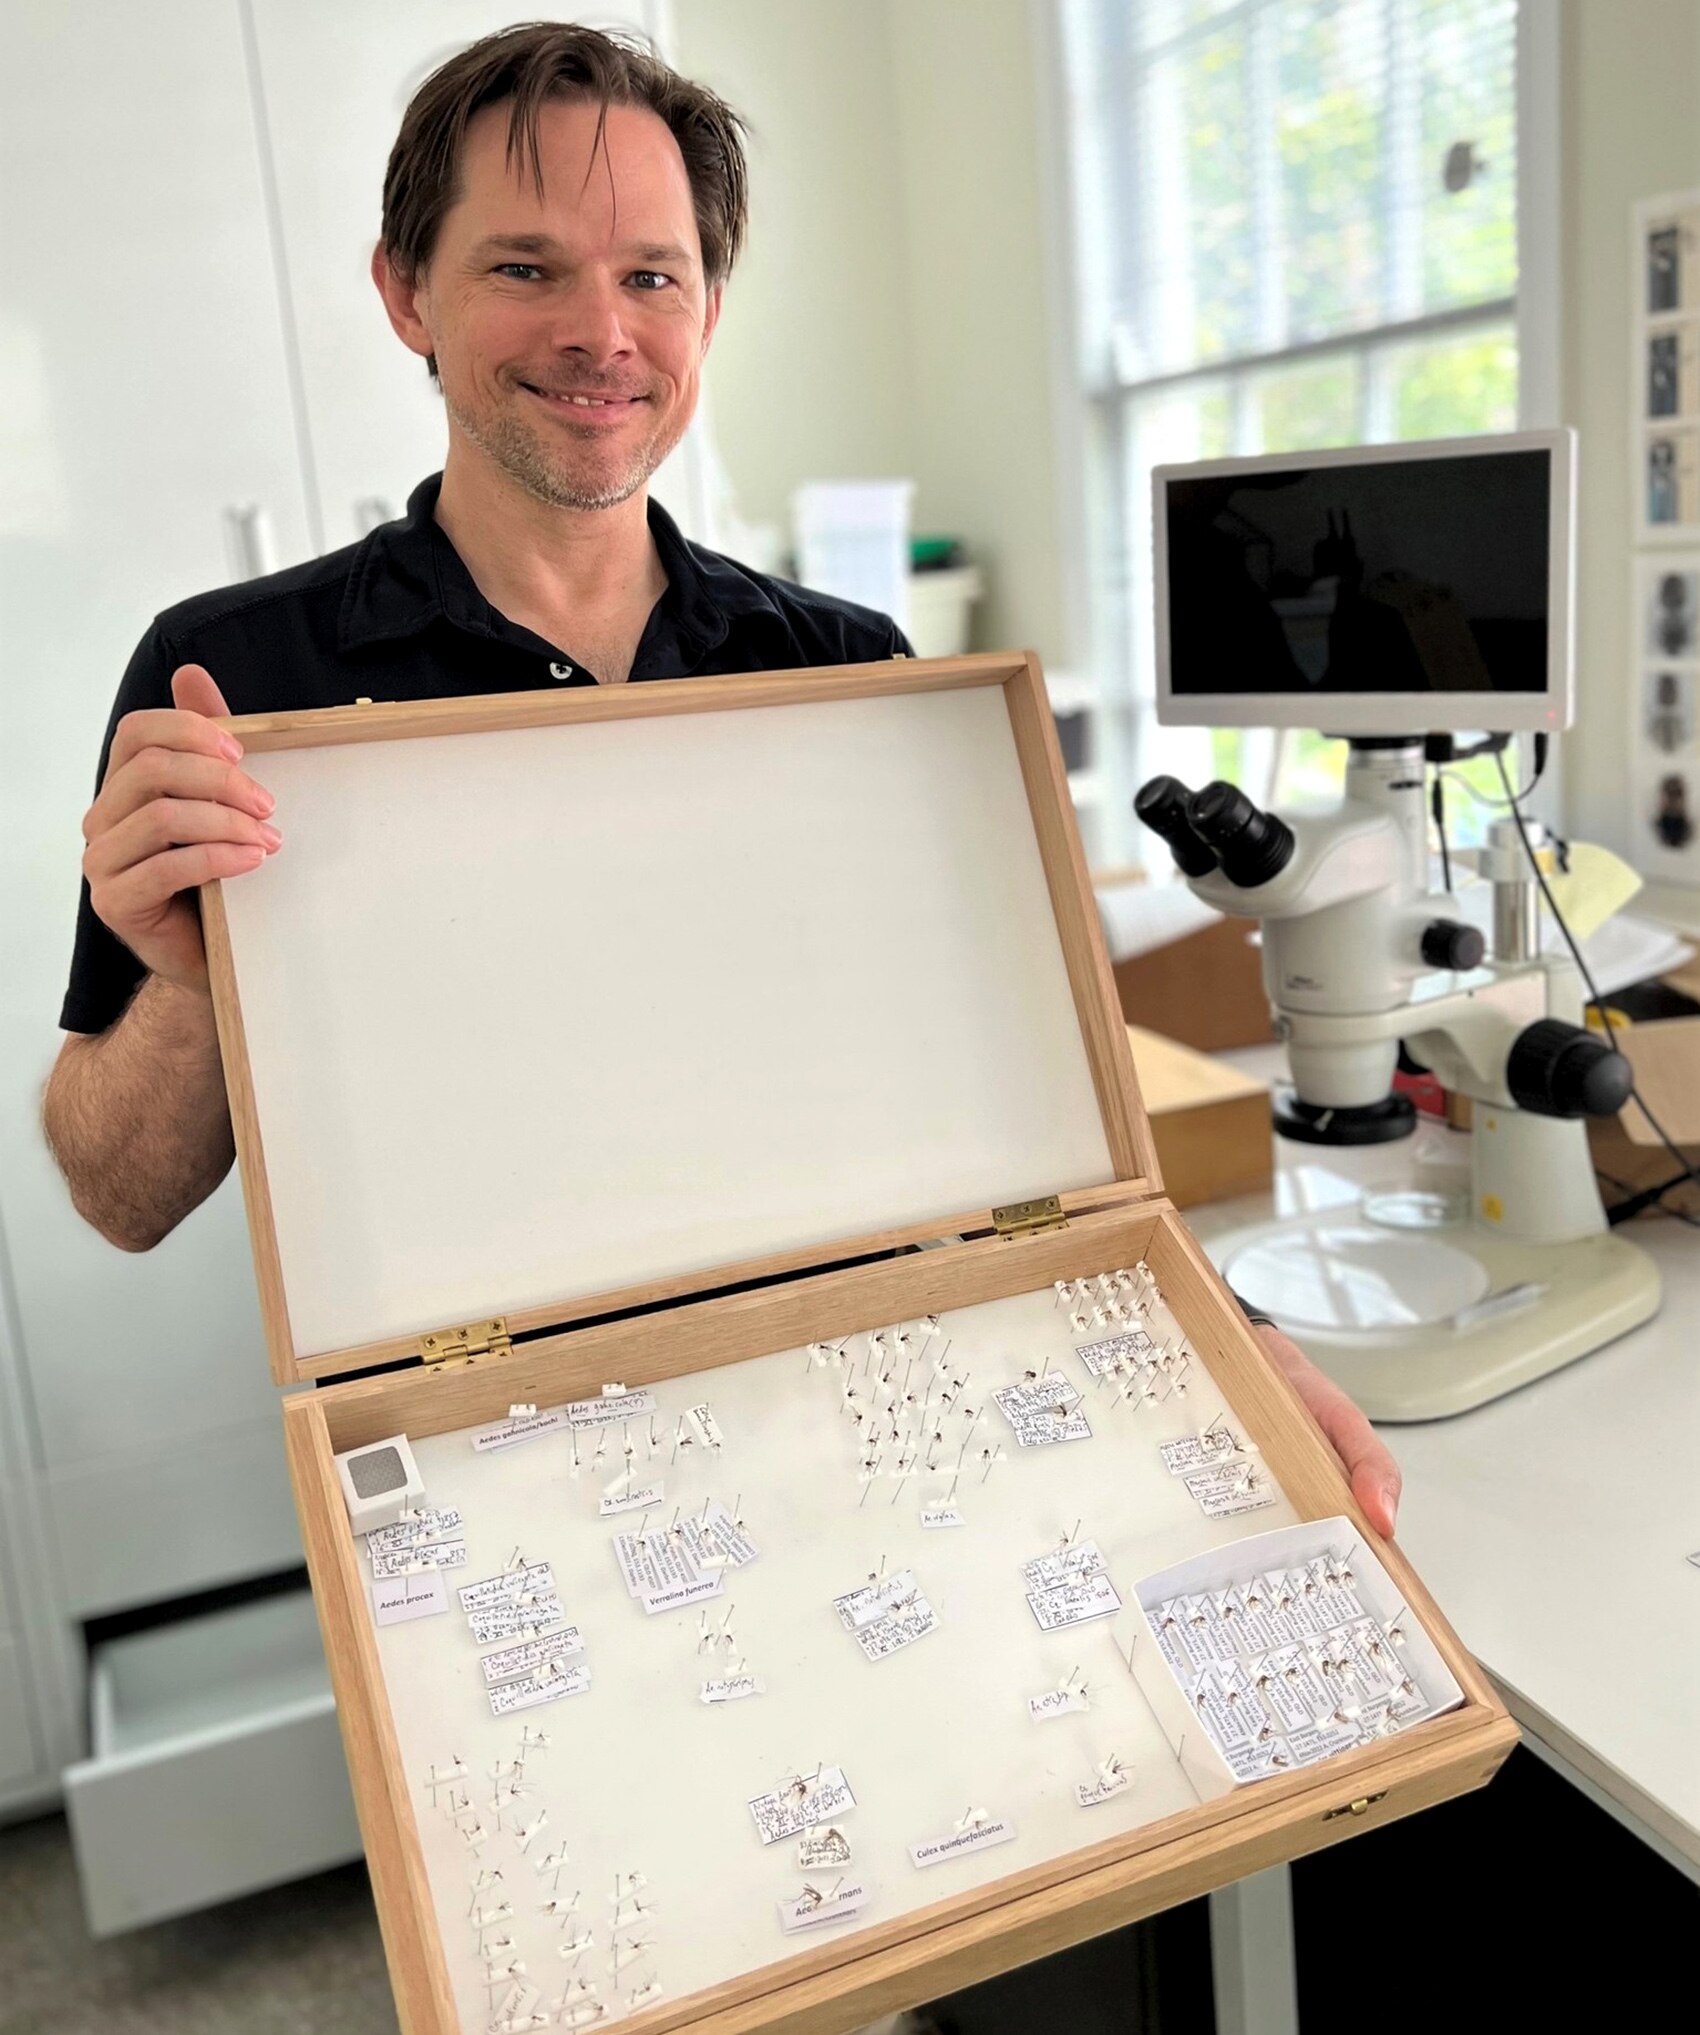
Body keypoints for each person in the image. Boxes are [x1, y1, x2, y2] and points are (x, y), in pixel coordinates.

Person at [41, 21, 1399, 1549]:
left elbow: (1042, 1139)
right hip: (485, 1474)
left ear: (709, 306)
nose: (600, 333)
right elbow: (120, 1193)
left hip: (871, 1420)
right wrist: (189, 980)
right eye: (524, 268)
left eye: (651, 275)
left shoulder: (849, 673)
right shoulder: (235, 679)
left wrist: (1234, 1337)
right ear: (405, 291)